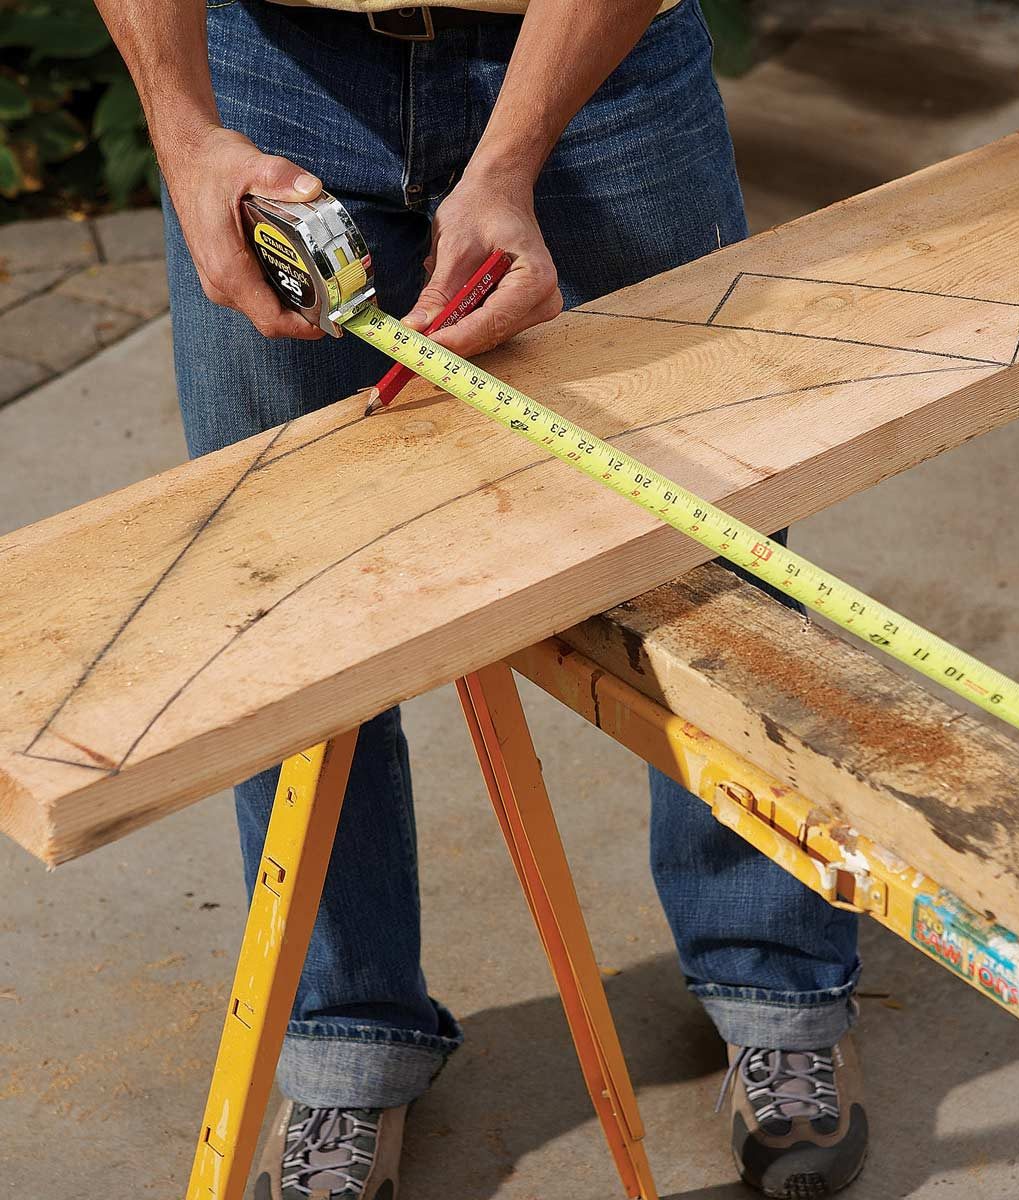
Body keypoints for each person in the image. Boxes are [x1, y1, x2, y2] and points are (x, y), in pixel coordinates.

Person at [96, 1, 866, 1195]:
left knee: (712, 570)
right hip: (270, 69)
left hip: (601, 73)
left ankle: (776, 983)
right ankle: (345, 1036)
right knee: (280, 606)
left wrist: (510, 157)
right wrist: (186, 131)